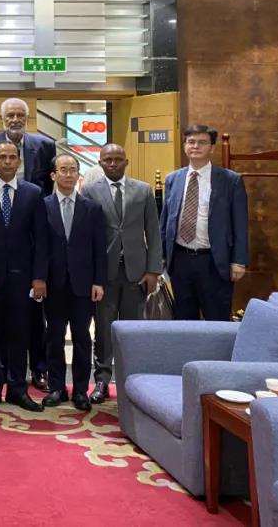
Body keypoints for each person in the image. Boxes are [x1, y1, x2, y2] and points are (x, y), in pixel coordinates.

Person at [0, 98, 56, 392]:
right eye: (10, 115)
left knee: (28, 324)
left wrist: (39, 273)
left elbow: (47, 198)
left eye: (21, 114)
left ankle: (29, 377)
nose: (15, 119)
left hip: (25, 255)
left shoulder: (44, 148)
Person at [83, 144, 163, 404]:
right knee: (103, 330)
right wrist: (91, 275)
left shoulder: (143, 190)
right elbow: (88, 235)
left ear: (126, 162)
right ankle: (102, 381)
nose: (113, 163)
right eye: (108, 160)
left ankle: (131, 381)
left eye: (118, 159)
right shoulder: (90, 190)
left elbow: (153, 231)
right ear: (100, 162)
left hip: (136, 272)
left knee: (132, 329)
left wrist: (153, 270)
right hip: (104, 273)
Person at [161, 124, 248, 322]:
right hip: (180, 261)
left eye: (202, 142)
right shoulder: (173, 179)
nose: (195, 146)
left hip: (214, 262)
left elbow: (240, 223)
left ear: (212, 148)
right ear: (185, 146)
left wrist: (239, 261)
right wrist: (161, 258)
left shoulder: (230, 180)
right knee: (184, 320)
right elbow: (165, 221)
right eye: (191, 142)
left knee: (217, 319)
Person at [42, 154, 106, 412]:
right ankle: (57, 387)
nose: (68, 174)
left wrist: (98, 281)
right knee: (54, 336)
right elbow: (38, 247)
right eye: (63, 170)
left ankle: (80, 389)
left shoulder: (92, 208)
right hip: (53, 284)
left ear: (78, 175)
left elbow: (99, 249)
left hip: (83, 285)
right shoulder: (43, 206)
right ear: (53, 175)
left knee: (82, 337)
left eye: (72, 170)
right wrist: (39, 279)